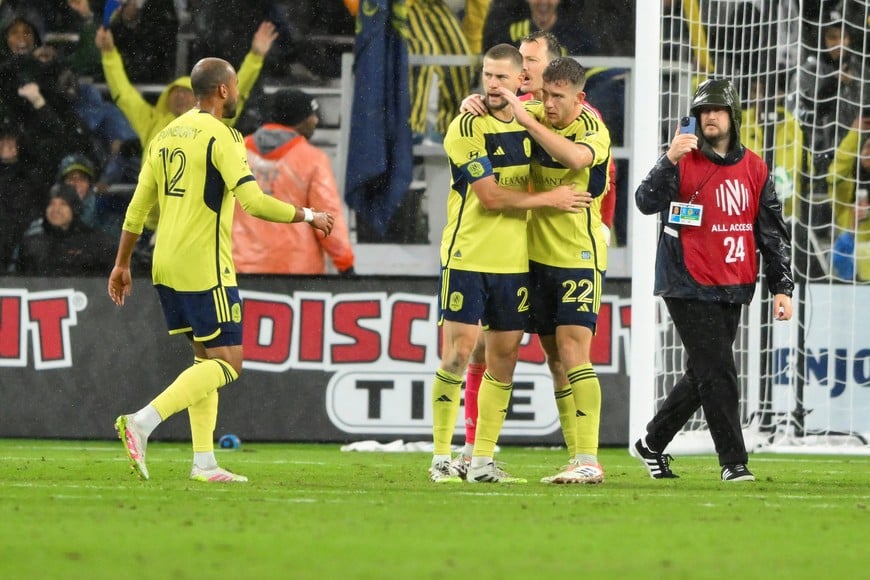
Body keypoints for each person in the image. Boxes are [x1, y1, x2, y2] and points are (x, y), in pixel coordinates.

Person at [108, 57, 335, 483]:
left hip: (165, 262)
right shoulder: (223, 136)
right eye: (235, 87)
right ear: (224, 90)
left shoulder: (165, 135)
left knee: (204, 360)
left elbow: (137, 208)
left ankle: (204, 462)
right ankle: (142, 421)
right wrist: (309, 215)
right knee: (229, 363)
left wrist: (122, 263)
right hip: (204, 265)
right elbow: (254, 202)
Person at [453, 32, 617, 475]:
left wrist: (527, 119)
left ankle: (587, 459)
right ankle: (478, 455)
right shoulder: (531, 109)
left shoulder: (589, 124)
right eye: (546, 95)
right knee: (515, 353)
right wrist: (478, 102)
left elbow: (578, 160)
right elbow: (496, 116)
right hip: (528, 257)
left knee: (571, 350)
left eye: (557, 96)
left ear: (577, 96)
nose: (549, 102)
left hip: (577, 255)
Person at [427, 43, 587, 484]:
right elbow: (490, 196)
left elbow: (568, 117)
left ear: (521, 81)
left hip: (514, 262)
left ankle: (481, 462)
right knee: (458, 353)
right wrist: (551, 199)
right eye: (488, 75)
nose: (493, 84)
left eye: (502, 77)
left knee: (504, 362)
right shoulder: (466, 124)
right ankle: (441, 458)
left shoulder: (532, 119)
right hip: (468, 254)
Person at [631, 78, 794, 482]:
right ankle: (733, 462)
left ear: (732, 116)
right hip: (685, 280)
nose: (710, 117)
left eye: (717, 110)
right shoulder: (680, 160)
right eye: (703, 111)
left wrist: (782, 287)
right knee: (719, 370)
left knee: (703, 372)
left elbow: (771, 231)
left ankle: (652, 442)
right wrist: (668, 158)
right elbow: (645, 201)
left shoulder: (755, 168)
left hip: (733, 282)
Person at [233, 88, 355, 275]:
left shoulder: (235, 152)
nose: (315, 120)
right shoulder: (312, 160)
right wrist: (345, 264)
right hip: (297, 274)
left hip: (239, 270)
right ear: (300, 119)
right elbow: (327, 218)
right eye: (312, 114)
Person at [407, 0, 473, 142]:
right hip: (401, 4)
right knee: (423, 50)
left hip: (432, 3)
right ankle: (411, 126)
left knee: (460, 56)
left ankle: (450, 126)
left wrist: (476, 48)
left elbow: (479, 7)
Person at [16, 183, 116, 276]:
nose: (56, 209)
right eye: (51, 204)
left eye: (63, 204)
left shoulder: (97, 243)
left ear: (74, 209)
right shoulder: (31, 242)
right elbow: (20, 280)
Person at [829, 115, 870, 281]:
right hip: (850, 278)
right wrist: (854, 134)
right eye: (868, 147)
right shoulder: (846, 189)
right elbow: (833, 174)